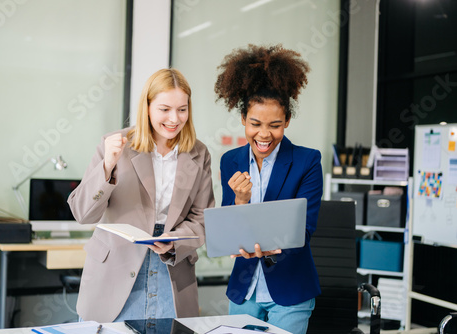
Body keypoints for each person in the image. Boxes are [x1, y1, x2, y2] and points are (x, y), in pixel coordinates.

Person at [68, 68, 215, 323]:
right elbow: (82, 213)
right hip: (114, 272)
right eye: (165, 109)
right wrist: (107, 166)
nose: (174, 118)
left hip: (171, 270)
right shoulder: (116, 144)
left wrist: (176, 241)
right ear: (147, 107)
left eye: (182, 109)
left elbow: (203, 218)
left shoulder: (199, 153)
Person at [214, 44, 323, 334]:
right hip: (244, 288)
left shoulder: (307, 161)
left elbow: (306, 228)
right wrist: (240, 200)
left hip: (290, 289)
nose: (264, 134)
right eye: (255, 123)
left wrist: (276, 247)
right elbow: (227, 229)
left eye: (275, 125)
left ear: (287, 120)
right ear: (243, 120)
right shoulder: (231, 161)